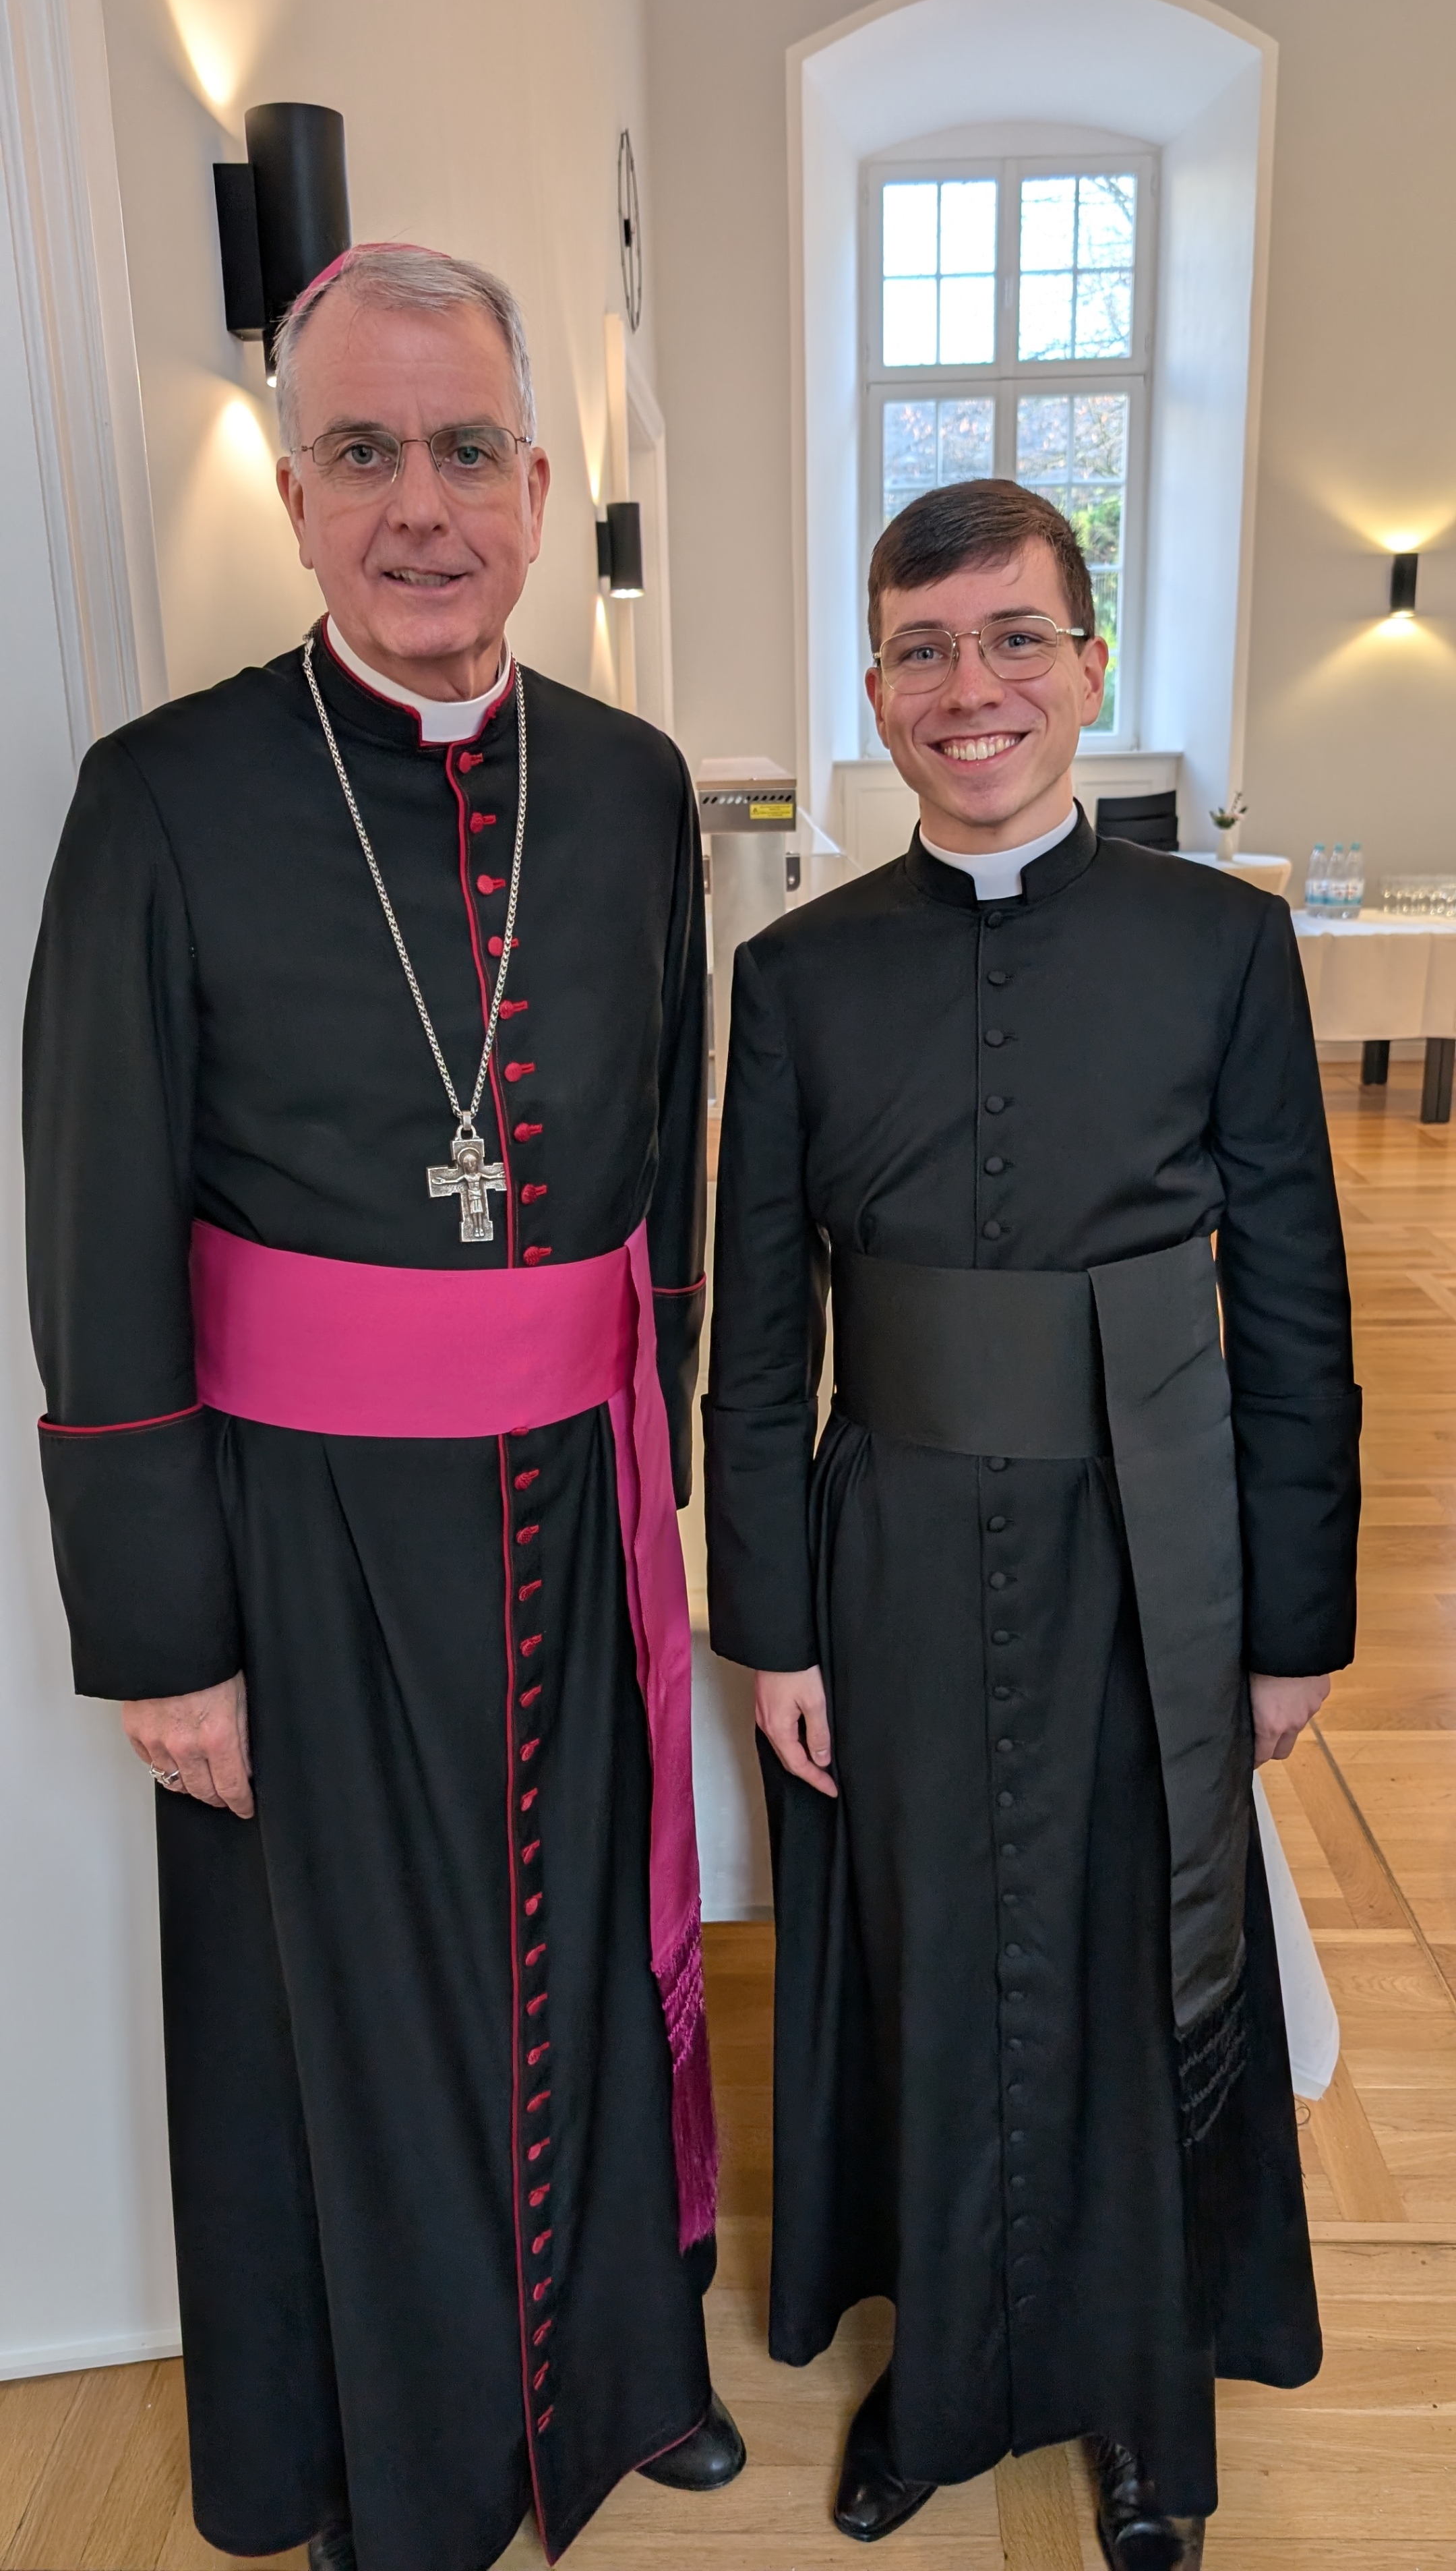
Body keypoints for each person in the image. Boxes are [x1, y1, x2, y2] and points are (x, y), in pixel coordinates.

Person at [24, 243, 742, 2571]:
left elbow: (676, 1165)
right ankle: (390, 2469)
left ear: (537, 489)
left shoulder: (632, 790)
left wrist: (688, 1472)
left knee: (592, 1947)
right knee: (347, 2011)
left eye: (461, 454)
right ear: (288, 481)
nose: (416, 506)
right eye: (362, 453)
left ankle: (621, 2372)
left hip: (577, 1492)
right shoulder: (163, 799)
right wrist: (162, 1633)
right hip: (302, 1533)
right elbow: (96, 1221)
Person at [704, 478, 1359, 2566]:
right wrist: (772, 1624)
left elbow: (1299, 1307)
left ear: (1087, 665)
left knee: (1125, 1961)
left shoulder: (1224, 945)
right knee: (917, 1961)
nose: (970, 689)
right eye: (922, 649)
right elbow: (755, 1328)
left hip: (1148, 1557)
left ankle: (1144, 2411)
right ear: (874, 690)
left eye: (1013, 641)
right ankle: (948, 2382)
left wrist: (1296, 1619)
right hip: (887, 1546)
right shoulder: (798, 976)